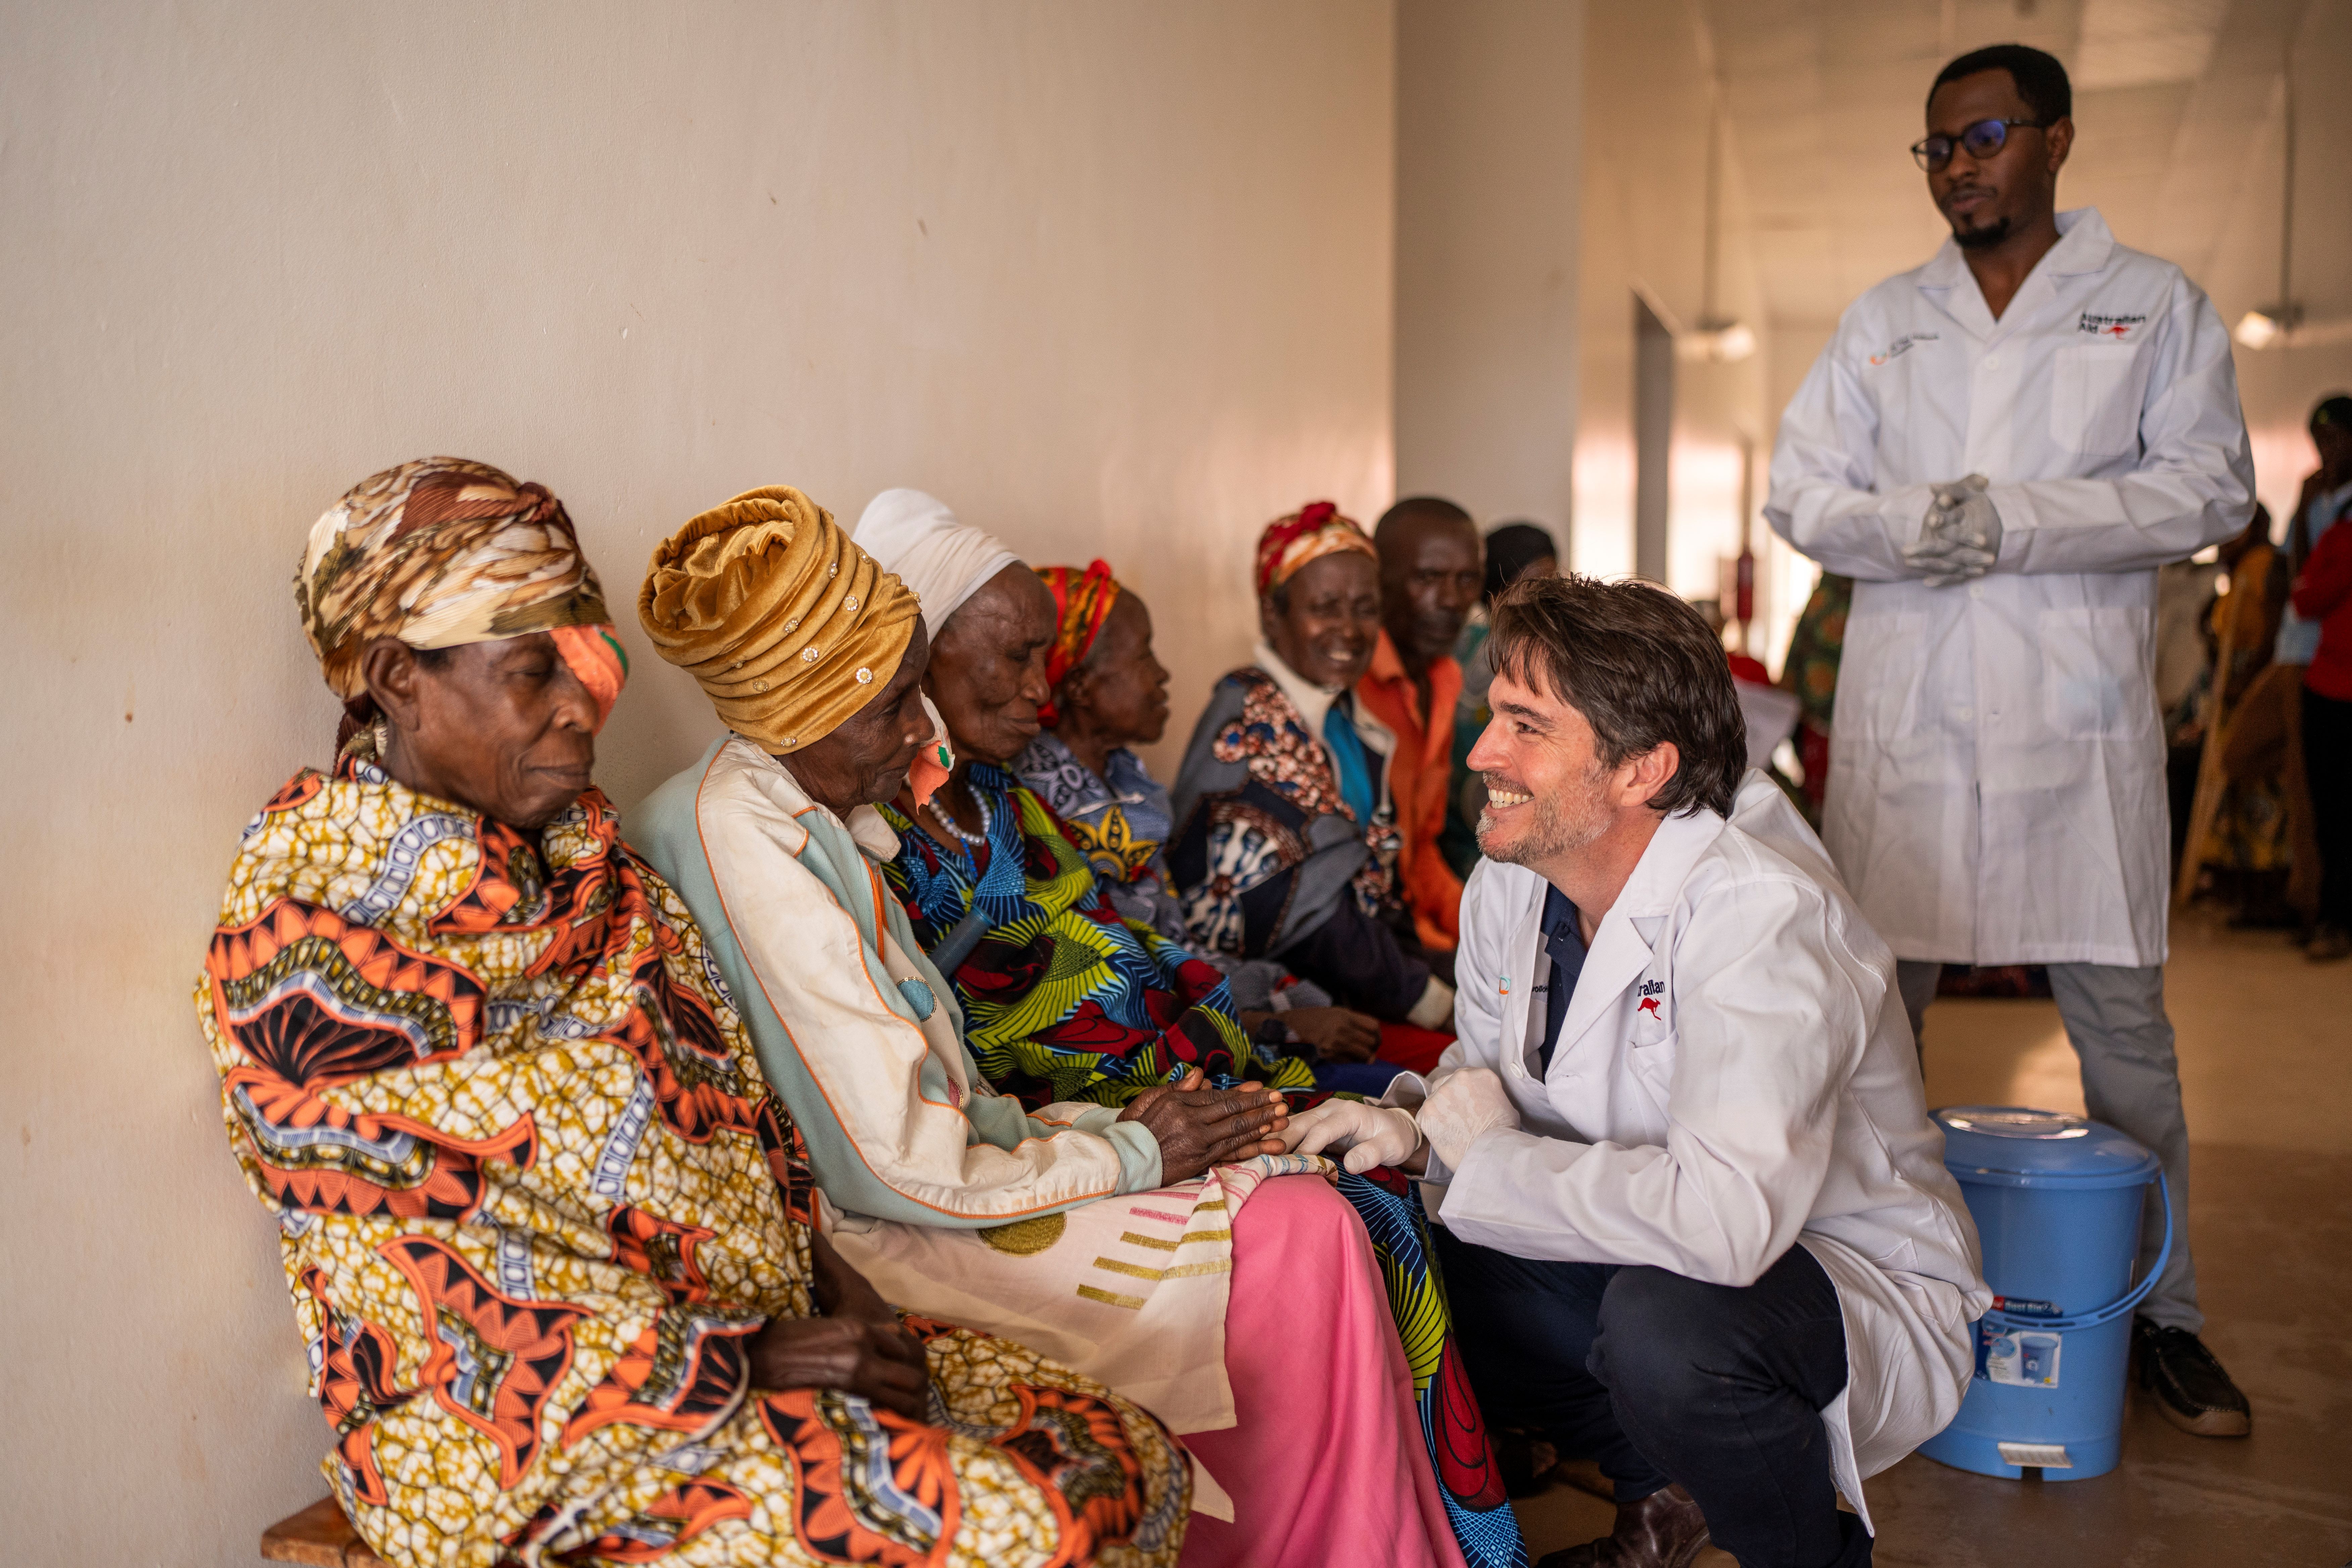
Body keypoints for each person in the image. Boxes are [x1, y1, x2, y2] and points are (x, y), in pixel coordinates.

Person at [198, 458, 1189, 1568]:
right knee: (1026, 1535)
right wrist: (750, 1357)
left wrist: (834, 1290)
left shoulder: (604, 879)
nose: (585, 707)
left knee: (1113, 1449)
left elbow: (748, 1133)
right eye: (535, 671)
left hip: (761, 1334)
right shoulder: (313, 953)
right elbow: (432, 1293)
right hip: (533, 1434)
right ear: (394, 677)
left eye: (590, 660)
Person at [629, 485, 1514, 1568]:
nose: (922, 729)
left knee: (1311, 1198)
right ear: (813, 703)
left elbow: (946, 1077)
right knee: (1302, 1228)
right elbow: (891, 1167)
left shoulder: (805, 808)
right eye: (897, 700)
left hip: (978, 1163)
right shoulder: (740, 832)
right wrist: (1133, 1147)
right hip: (899, 1237)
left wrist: (1120, 1125)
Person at [1282, 575, 1988, 1568]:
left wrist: (1480, 1158)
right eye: (1494, 715)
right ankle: (1658, 1490)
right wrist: (1417, 1126)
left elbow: (1728, 1224)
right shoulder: (1514, 880)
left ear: (1642, 770)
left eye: (1528, 728)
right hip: (1639, 1243)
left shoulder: (1761, 917)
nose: (1483, 752)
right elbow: (1484, 1079)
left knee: (1672, 1337)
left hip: (1829, 1276)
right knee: (1371, 1228)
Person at [1765, 42, 2255, 1434]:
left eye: (1983, 136)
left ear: (2056, 140)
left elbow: (2211, 485)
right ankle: (1871, 1305)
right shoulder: (1884, 318)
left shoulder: (2152, 305)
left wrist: (2023, 516)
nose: (1958, 166)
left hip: (2075, 735)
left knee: (2128, 1050)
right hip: (1912, 731)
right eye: (1935, 147)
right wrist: (1909, 527)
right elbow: (1804, 492)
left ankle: (2165, 1317)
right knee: (1876, 1031)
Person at [1010, 559, 1388, 1088]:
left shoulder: (1127, 781)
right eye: (1143, 655)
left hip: (1202, 1001)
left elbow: (1173, 943)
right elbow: (1119, 992)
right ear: (1080, 686)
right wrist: (1277, 1025)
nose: (1162, 674)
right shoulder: (1043, 810)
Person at [1167, 502, 1457, 1032]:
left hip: (1362, 983)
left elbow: (1376, 896)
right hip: (1268, 1010)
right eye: (1325, 607)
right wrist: (1439, 1004)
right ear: (1272, 616)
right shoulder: (1251, 721)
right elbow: (1309, 915)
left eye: (1365, 608)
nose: (1348, 630)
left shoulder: (1344, 718)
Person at [1361, 497, 1483, 952]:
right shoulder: (1350, 689)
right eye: (1428, 578)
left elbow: (1421, 853)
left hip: (1414, 937)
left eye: (1466, 579)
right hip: (1367, 948)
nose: (1452, 601)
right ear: (1381, 580)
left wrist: (1482, 932)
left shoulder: (1446, 679)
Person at [2290, 473, 2352, 960]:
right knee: (2329, 813)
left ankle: (2333, 919)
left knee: (2333, 813)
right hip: (2330, 685)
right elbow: (2305, 597)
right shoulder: (2339, 532)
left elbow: (2309, 594)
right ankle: (2330, 917)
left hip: (2334, 683)